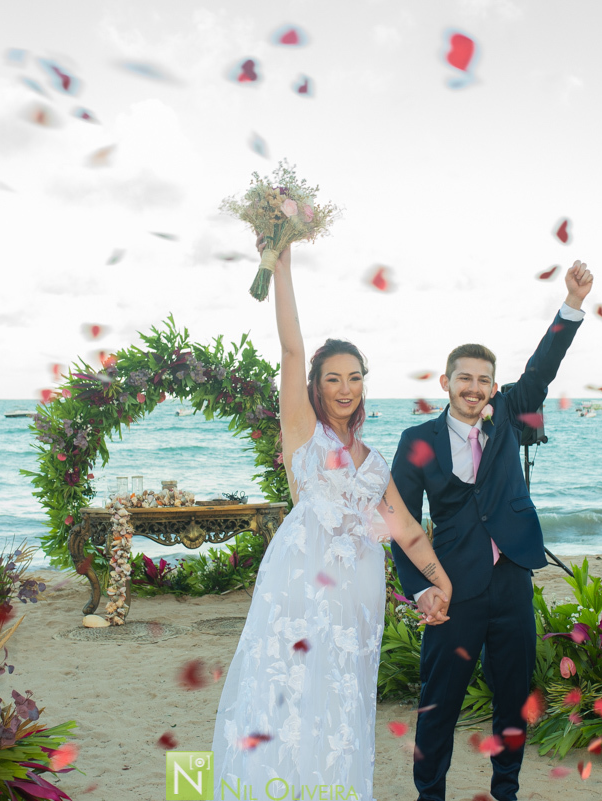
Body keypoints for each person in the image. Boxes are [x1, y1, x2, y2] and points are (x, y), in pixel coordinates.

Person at [211, 238, 452, 801]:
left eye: (355, 378)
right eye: (333, 378)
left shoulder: (374, 461)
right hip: (300, 586)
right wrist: (284, 264)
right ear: (317, 386)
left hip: (356, 601)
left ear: (365, 383)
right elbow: (292, 351)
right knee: (286, 695)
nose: (345, 388)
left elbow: (407, 531)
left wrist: (440, 580)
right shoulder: (302, 434)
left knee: (341, 707)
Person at [389, 260, 594, 801]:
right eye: (464, 378)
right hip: (452, 587)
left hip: (510, 585)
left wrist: (570, 305)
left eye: (483, 380)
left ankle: (507, 791)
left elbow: (543, 367)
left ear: (493, 387)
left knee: (512, 700)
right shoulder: (417, 440)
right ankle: (428, 794)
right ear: (446, 383)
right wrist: (421, 587)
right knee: (440, 701)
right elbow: (401, 523)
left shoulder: (509, 414)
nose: (474, 388)